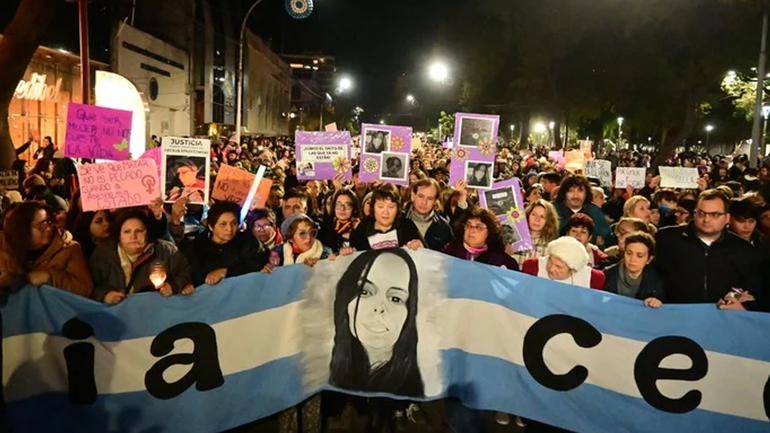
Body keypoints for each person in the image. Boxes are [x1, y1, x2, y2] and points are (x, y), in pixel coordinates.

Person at [655, 189, 762, 310]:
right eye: (701, 213)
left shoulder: (743, 249)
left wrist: (743, 307)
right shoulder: (666, 239)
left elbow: (755, 292)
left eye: (715, 214)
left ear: (727, 218)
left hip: (723, 320)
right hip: (675, 317)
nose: (706, 219)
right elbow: (650, 276)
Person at [90, 208, 193, 304]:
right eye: (127, 232)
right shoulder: (103, 254)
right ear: (119, 235)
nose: (133, 236)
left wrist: (173, 286)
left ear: (147, 232)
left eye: (139, 231)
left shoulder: (166, 251)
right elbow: (91, 286)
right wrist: (105, 295)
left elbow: (186, 272)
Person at [0, 202, 93, 296]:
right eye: (41, 225)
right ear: (23, 229)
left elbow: (85, 288)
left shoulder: (69, 249)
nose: (48, 229)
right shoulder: (5, 245)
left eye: (49, 222)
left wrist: (49, 277)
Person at [181, 202, 269, 287]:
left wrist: (226, 272)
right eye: (223, 224)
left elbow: (259, 264)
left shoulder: (247, 241)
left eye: (233, 223)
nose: (229, 229)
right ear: (211, 226)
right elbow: (191, 276)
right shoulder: (195, 247)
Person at [350, 184, 423, 251]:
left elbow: (425, 255)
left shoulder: (407, 227)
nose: (386, 212)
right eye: (380, 206)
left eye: (391, 207)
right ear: (373, 207)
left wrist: (418, 246)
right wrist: (348, 252)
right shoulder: (363, 228)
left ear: (398, 208)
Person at [443, 207, 519, 269]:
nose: (472, 230)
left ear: (489, 231)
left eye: (479, 227)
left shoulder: (501, 261)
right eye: (468, 225)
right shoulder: (449, 252)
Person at [603, 232, 665, 307]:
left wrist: (656, 302)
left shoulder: (656, 280)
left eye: (639, 255)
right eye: (629, 253)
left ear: (649, 259)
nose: (632, 259)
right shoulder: (606, 275)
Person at [521, 236, 605, 290]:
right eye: (550, 261)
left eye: (559, 266)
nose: (551, 268)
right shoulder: (532, 267)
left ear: (573, 271)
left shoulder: (593, 279)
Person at [553, 175, 611, 245]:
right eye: (571, 191)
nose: (575, 196)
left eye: (580, 191)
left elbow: (605, 239)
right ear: (564, 193)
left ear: (586, 193)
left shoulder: (595, 212)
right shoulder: (553, 210)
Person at [262, 213, 332, 270]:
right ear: (290, 238)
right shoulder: (278, 251)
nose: (309, 238)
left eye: (312, 233)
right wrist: (268, 272)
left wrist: (318, 268)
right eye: (302, 234)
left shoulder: (324, 253)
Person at [404, 178, 457, 251]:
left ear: (435, 201)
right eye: (421, 196)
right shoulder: (398, 222)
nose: (424, 202)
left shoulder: (444, 227)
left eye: (430, 198)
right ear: (413, 196)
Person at [512, 199, 559, 264]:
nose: (537, 219)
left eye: (542, 217)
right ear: (528, 215)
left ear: (548, 221)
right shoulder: (514, 240)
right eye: (534, 214)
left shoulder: (552, 247)